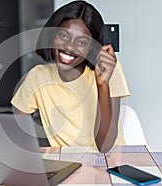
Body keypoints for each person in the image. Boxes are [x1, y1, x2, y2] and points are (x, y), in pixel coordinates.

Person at [11, 0, 130, 152]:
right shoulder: (37, 77)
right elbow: (18, 132)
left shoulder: (110, 70)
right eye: (64, 36)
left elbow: (105, 147)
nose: (69, 47)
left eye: (81, 42)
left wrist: (102, 84)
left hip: (112, 162)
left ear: (92, 47)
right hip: (68, 162)